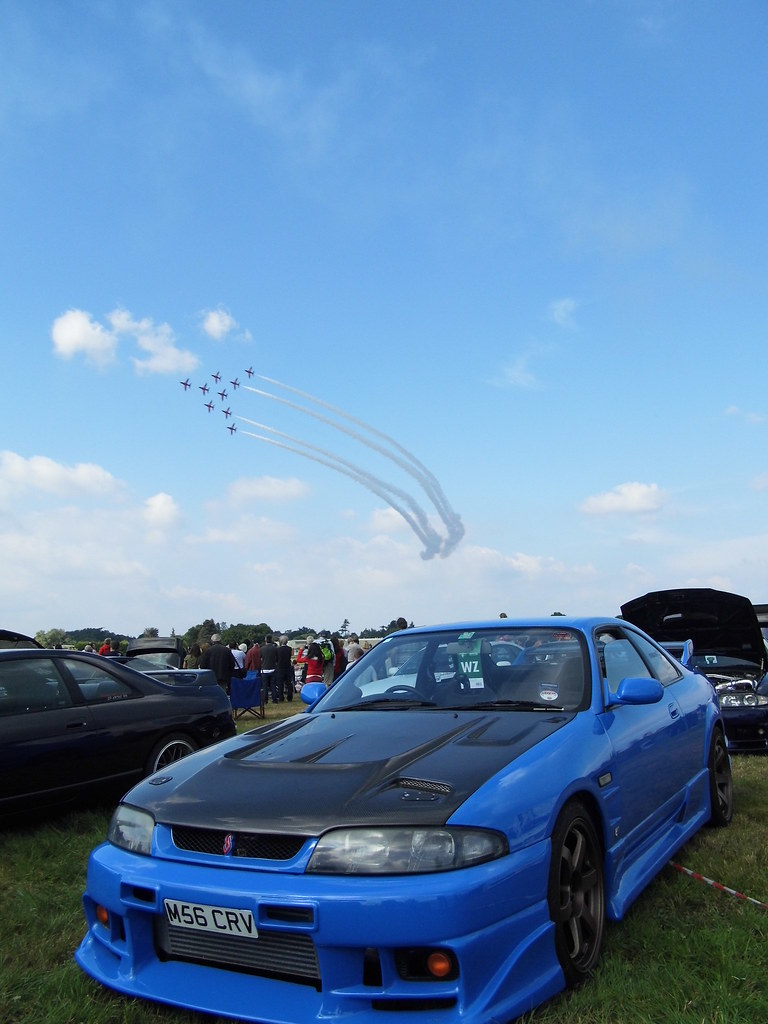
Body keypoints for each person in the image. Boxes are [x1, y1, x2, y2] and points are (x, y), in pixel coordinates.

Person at [259, 635, 279, 704]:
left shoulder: (262, 649)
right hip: (273, 668)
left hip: (264, 669)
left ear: (265, 640)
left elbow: (260, 658)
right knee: (273, 685)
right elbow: (277, 658)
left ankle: (265, 700)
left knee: (265, 686)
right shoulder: (275, 649)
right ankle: (274, 699)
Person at [275, 635, 293, 702]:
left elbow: (276, 659)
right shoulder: (289, 649)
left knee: (280, 684)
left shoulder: (278, 650)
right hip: (288, 667)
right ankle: (290, 697)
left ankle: (281, 697)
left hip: (280, 667)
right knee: (289, 683)